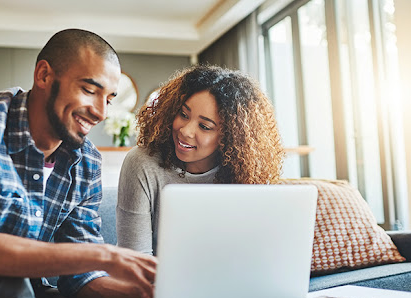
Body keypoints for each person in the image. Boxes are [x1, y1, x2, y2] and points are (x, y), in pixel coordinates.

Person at [0, 28, 157, 298]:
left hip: (23, 292)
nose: (101, 112)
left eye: (109, 99)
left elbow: (80, 278)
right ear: (44, 75)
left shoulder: (86, 161)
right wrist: (105, 255)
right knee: (12, 293)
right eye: (89, 90)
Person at [117, 65, 285, 255]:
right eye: (183, 114)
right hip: (156, 281)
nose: (186, 131)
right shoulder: (142, 163)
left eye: (204, 126)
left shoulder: (246, 173)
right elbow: (134, 260)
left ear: (230, 136)